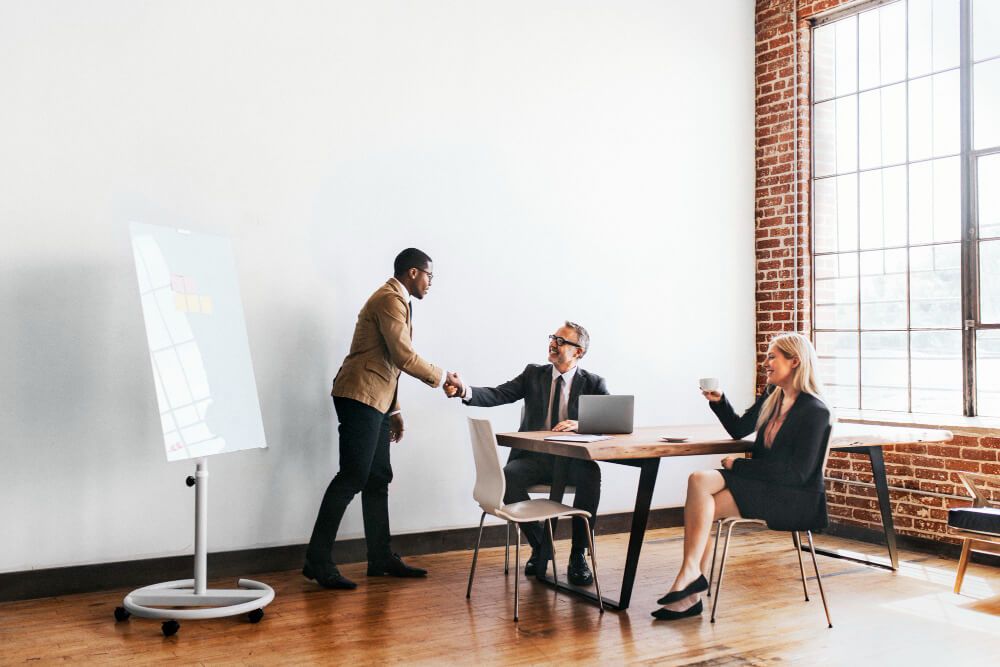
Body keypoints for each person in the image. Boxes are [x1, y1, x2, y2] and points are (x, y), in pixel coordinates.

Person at [651, 332, 832, 620]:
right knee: (698, 481)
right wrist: (719, 401)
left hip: (792, 497)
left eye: (772, 357)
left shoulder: (815, 411)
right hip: (766, 484)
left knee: (702, 506)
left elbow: (796, 474)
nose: (766, 363)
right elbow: (739, 429)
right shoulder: (773, 397)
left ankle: (689, 590)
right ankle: (690, 578)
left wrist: (738, 465)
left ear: (795, 361)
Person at [304, 248, 447, 589]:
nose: (431, 283)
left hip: (376, 401)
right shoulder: (389, 299)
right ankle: (317, 561)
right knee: (352, 476)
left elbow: (388, 363)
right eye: (429, 275)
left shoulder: (399, 300)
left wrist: (394, 411)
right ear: (413, 272)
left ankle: (380, 557)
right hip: (359, 397)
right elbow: (403, 355)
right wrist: (443, 378)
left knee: (378, 476)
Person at [444, 322, 607, 586]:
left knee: (592, 473)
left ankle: (578, 555)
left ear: (578, 352)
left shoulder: (594, 383)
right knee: (507, 477)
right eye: (553, 337)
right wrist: (464, 389)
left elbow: (611, 420)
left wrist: (581, 424)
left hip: (572, 461)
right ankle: (541, 546)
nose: (553, 343)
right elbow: (499, 394)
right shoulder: (533, 374)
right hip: (535, 459)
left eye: (561, 341)